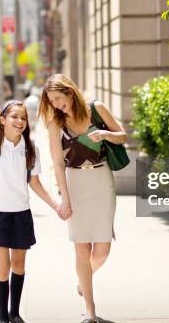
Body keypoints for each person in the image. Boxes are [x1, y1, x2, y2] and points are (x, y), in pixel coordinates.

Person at [38, 74, 127, 323]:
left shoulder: (96, 109)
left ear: (69, 91)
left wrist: (104, 134)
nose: (56, 104)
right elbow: (57, 163)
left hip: (102, 182)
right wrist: (64, 199)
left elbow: (123, 135)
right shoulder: (56, 123)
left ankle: (84, 278)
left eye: (57, 98)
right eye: (51, 101)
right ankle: (90, 311)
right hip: (75, 184)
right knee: (81, 249)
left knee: (103, 249)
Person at [0, 100, 66, 323]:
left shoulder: (30, 149)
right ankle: (2, 316)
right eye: (15, 117)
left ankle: (14, 313)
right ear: (3, 119)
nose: (20, 122)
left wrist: (55, 204)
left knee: (19, 264)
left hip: (21, 213)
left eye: (23, 118)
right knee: (3, 266)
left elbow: (34, 183)